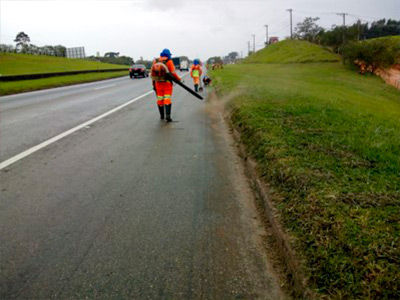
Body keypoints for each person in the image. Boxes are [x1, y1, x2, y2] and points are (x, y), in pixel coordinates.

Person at [150, 48, 181, 122]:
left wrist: (153, 84)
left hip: (158, 83)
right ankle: (168, 115)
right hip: (167, 83)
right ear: (168, 54)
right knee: (167, 98)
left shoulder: (155, 61)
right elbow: (173, 72)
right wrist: (178, 79)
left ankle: (162, 115)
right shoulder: (169, 61)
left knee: (160, 98)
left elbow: (152, 74)